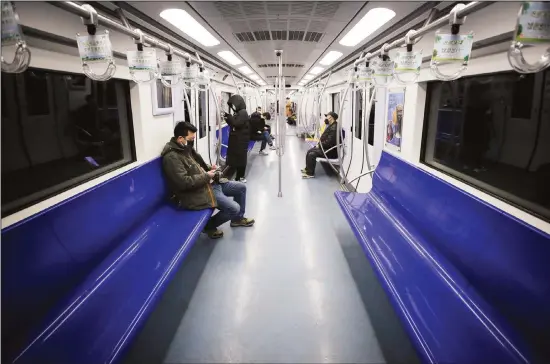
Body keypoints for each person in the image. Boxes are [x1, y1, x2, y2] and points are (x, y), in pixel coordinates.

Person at [162, 121, 255, 239]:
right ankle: (208, 226)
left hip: (210, 184)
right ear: (180, 138)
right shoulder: (171, 158)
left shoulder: (186, 150)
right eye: (190, 138)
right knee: (234, 208)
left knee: (241, 188)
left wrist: (210, 169)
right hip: (199, 191)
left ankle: (237, 220)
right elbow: (184, 182)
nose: (192, 141)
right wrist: (207, 176)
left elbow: (197, 166)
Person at [301, 111, 339, 179]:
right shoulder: (332, 125)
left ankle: (310, 173)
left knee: (312, 154)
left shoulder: (334, 128)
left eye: (327, 116)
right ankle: (307, 169)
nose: (326, 118)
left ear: (331, 118)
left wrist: (320, 145)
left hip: (330, 151)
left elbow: (330, 142)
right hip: (326, 148)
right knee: (309, 151)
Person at [224, 94, 250, 183]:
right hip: (237, 140)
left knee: (241, 159)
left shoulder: (243, 112)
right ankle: (238, 176)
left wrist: (229, 117)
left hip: (241, 141)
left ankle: (241, 176)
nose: (233, 107)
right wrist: (228, 118)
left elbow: (236, 124)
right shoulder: (238, 113)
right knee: (237, 158)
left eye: (234, 105)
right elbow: (234, 124)